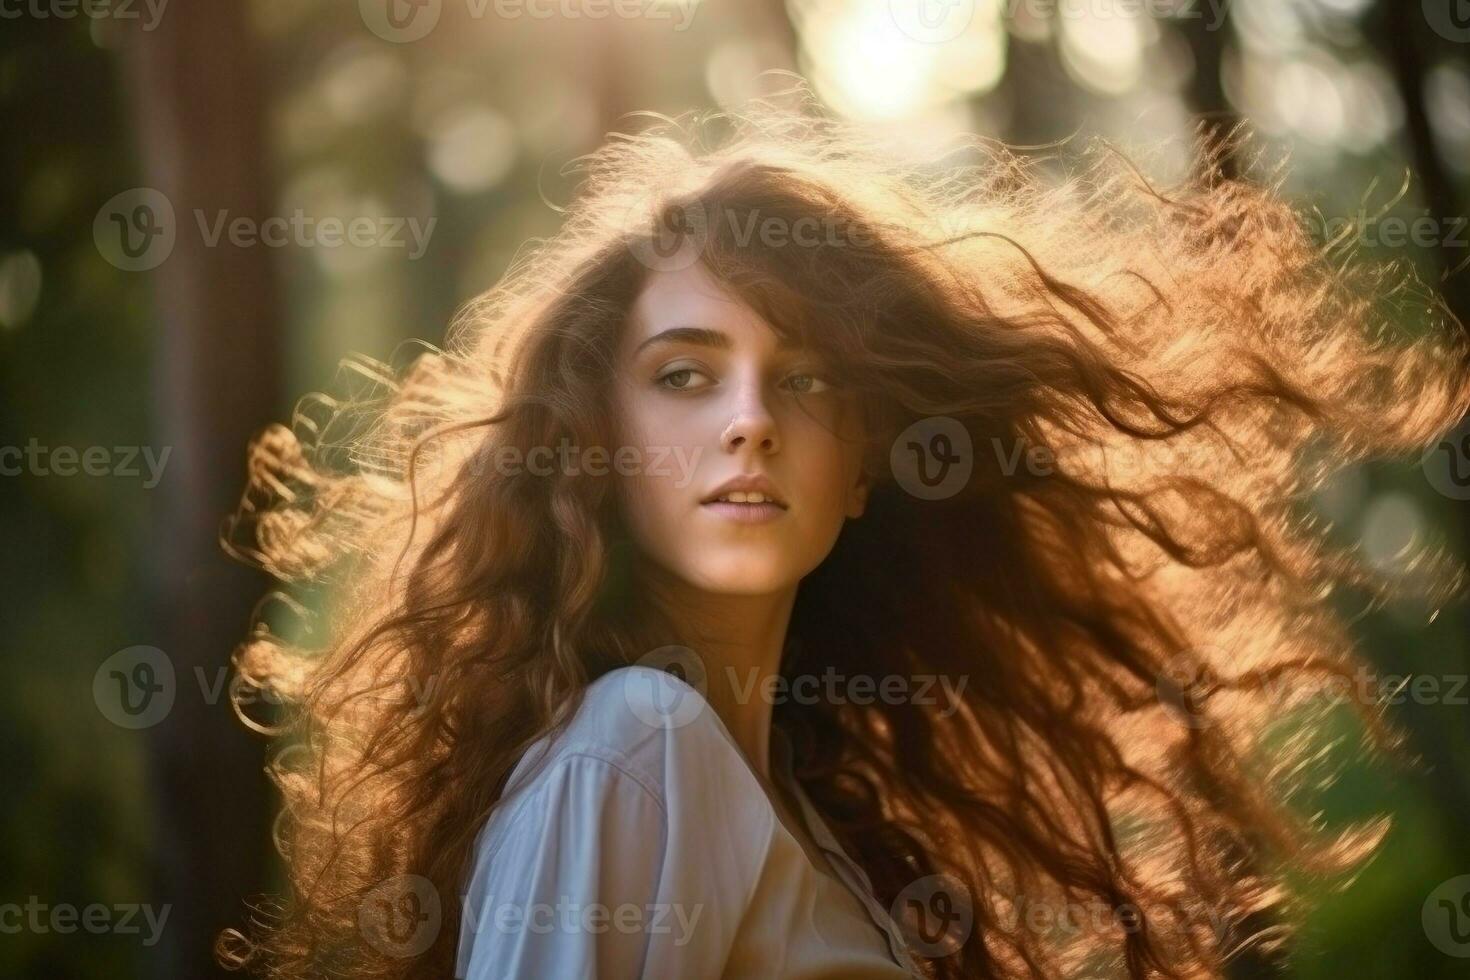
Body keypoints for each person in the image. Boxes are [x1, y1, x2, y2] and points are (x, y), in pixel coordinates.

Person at [216, 81, 1470, 979]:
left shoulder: (807, 818)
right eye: (686, 375)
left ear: (866, 468)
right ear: (594, 447)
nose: (752, 421)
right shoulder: (634, 751)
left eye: (808, 379)